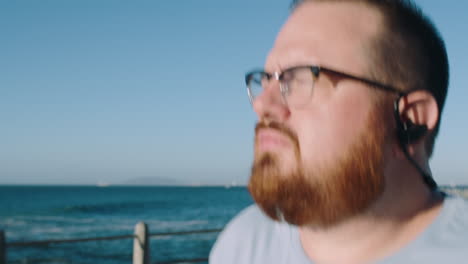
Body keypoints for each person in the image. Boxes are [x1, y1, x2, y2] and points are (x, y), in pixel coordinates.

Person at [210, 0, 468, 263]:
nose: (262, 104)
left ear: (410, 120)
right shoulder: (241, 244)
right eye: (266, 79)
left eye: (300, 76)